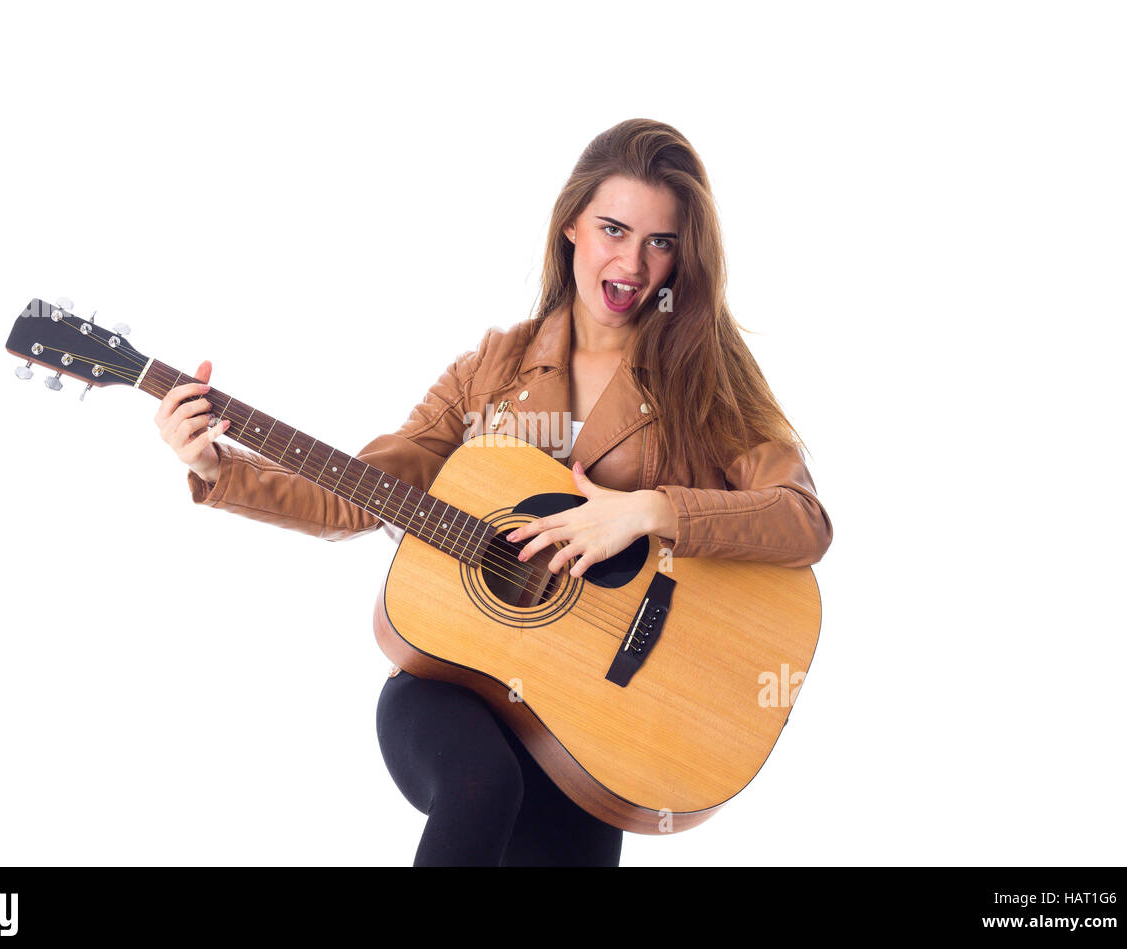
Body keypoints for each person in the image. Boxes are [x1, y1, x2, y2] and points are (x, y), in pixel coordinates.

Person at [153, 118, 834, 866]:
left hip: (595, 723)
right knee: (483, 784)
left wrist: (646, 510)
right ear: (572, 226)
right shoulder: (493, 369)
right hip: (453, 689)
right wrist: (225, 472)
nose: (632, 262)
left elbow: (802, 520)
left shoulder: (708, 384)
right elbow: (367, 491)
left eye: (660, 242)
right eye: (612, 229)